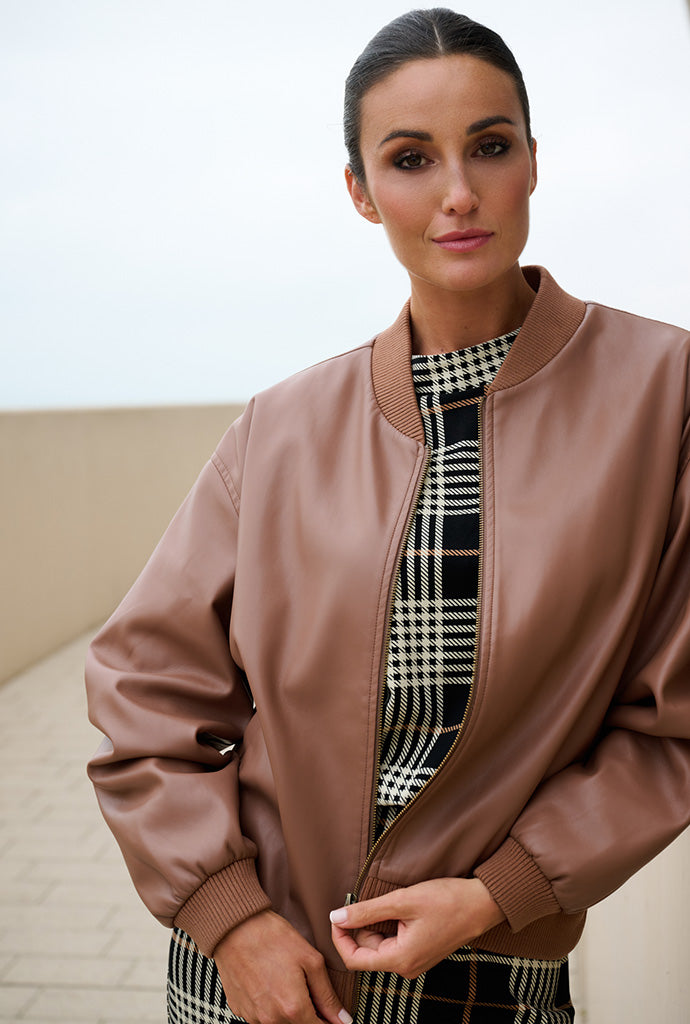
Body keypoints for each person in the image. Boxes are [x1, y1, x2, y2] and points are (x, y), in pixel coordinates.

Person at [85, 8, 690, 1023]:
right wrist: (230, 920)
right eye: (411, 160)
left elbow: (673, 723)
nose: (458, 194)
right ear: (361, 193)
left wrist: (499, 892)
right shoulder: (281, 427)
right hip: (262, 977)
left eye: (489, 147)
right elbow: (144, 687)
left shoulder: (663, 396)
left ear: (533, 162)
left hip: (489, 974)